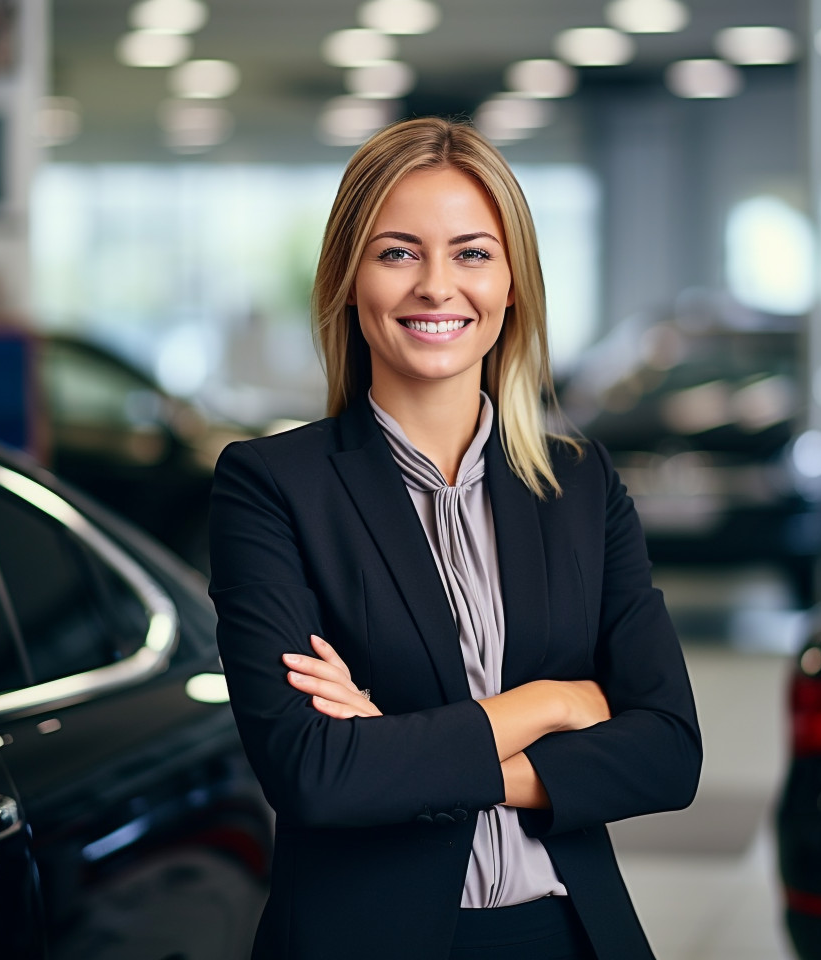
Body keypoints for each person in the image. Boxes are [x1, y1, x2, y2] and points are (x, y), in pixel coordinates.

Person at [209, 116, 702, 960]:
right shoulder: (271, 487)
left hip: (569, 933)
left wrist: (397, 750)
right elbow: (315, 773)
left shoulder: (578, 484)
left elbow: (667, 751)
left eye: (472, 253)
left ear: (513, 286)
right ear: (347, 280)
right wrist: (549, 704)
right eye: (397, 252)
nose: (437, 286)